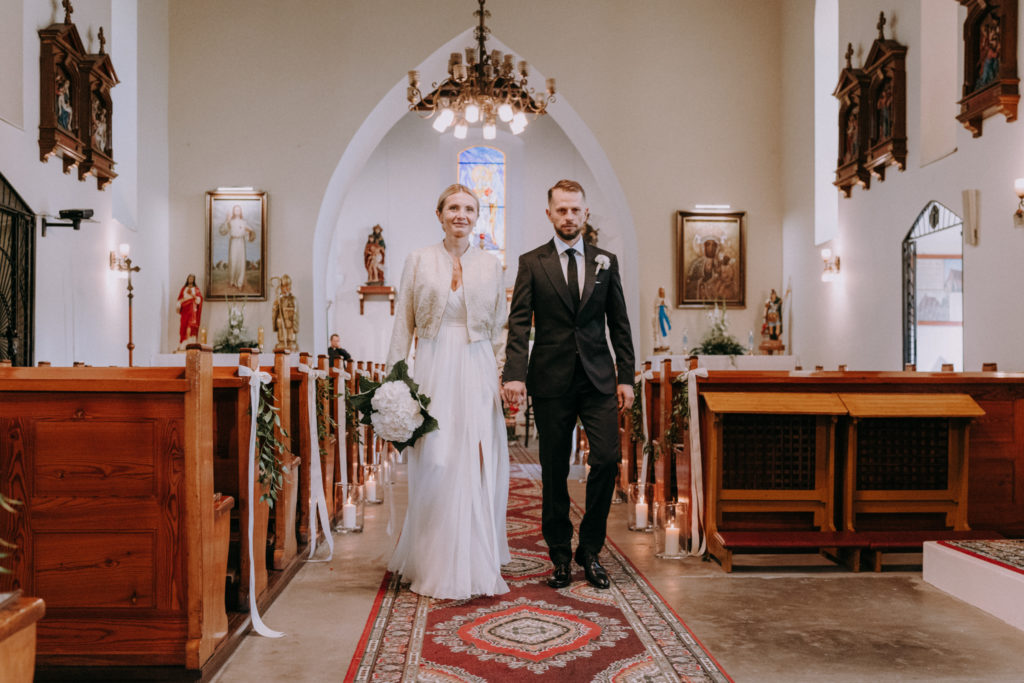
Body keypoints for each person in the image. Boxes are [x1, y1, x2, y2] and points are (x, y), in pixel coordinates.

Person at [501, 179, 635, 591]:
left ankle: (590, 550)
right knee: (554, 469)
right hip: (551, 379)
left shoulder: (606, 261)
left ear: (585, 212)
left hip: (597, 379)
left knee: (607, 460)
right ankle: (560, 555)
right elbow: (519, 323)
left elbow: (619, 323)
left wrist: (626, 378)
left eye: (575, 209)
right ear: (550, 214)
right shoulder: (532, 262)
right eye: (561, 209)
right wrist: (514, 373)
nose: (569, 216)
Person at [385, 184, 510, 600]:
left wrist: (502, 376)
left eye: (469, 209)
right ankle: (432, 559)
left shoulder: (491, 265)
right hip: (433, 364)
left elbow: (500, 327)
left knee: (476, 460)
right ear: (439, 214)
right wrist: (394, 384)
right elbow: (403, 323)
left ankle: (474, 560)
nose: (461, 214)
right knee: (436, 458)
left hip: (477, 365)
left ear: (477, 217)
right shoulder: (419, 260)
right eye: (453, 207)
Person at [219, 205, 256, 289]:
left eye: (239, 209)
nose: (237, 211)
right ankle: (232, 281)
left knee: (241, 262)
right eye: (235, 209)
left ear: (241, 211)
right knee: (233, 261)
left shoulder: (244, 222)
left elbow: (250, 233)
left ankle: (239, 283)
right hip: (233, 242)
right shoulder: (230, 222)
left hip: (241, 242)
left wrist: (250, 232)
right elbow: (222, 231)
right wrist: (227, 220)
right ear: (233, 211)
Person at [271, 274, 298, 351]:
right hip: (281, 323)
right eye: (283, 286)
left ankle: (290, 343)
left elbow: (295, 312)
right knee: (282, 337)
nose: (285, 288)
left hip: (290, 323)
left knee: (290, 337)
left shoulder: (293, 299)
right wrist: (276, 305)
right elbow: (275, 312)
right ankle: (282, 343)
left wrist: (290, 317)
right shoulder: (279, 299)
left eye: (287, 286)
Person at [176, 274, 203, 349]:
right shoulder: (184, 289)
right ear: (187, 279)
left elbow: (199, 300)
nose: (190, 280)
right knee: (183, 325)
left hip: (192, 308)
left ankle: (190, 342)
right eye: (189, 278)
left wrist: (192, 295)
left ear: (194, 280)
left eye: (192, 278)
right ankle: (183, 343)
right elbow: (179, 299)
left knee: (190, 325)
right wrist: (179, 304)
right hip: (185, 309)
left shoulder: (196, 289)